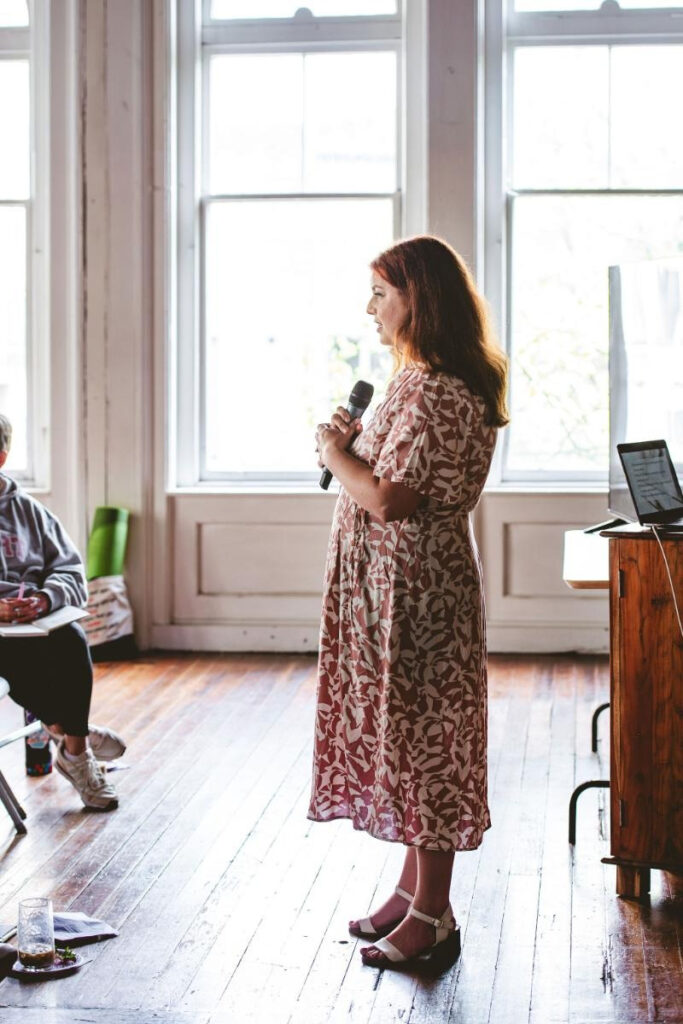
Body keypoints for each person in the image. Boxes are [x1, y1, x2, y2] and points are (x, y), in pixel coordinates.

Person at [308, 235, 509, 970]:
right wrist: (351, 442)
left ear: (417, 299)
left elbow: (390, 499)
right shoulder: (418, 378)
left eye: (380, 294)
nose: (370, 308)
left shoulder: (434, 389)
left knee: (425, 748)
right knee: (407, 735)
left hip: (416, 597)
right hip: (399, 590)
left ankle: (431, 916)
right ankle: (409, 889)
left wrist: (336, 457)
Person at [0, 413, 124, 811]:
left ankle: (73, 749)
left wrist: (44, 599)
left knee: (71, 638)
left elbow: (71, 571)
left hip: (36, 623)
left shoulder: (31, 513)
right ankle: (75, 739)